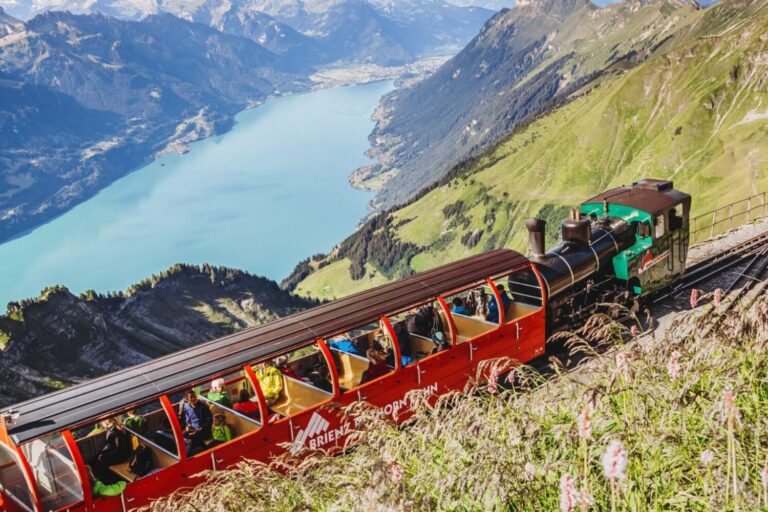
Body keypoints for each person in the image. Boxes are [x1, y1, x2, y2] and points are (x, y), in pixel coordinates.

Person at [92, 418, 131, 483]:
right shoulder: (117, 428)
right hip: (124, 453)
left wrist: (102, 455)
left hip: (119, 457)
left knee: (96, 463)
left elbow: (114, 449)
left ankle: (105, 480)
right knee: (96, 459)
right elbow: (112, 447)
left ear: (105, 423)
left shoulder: (112, 432)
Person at [178, 389, 213, 456]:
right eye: (191, 397)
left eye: (194, 396)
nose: (193, 398)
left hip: (203, 430)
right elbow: (188, 419)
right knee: (182, 437)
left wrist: (201, 428)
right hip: (193, 428)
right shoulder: (186, 407)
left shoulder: (203, 406)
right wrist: (188, 426)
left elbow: (210, 419)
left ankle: (202, 452)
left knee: (193, 438)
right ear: (187, 399)